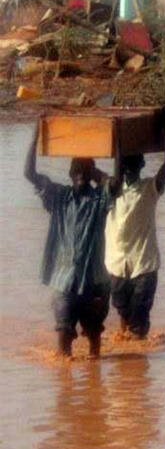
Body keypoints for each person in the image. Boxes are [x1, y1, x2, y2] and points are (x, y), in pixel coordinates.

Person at [24, 127, 112, 358]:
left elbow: (115, 184)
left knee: (95, 351)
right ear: (70, 172)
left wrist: (97, 171)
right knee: (62, 352)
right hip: (64, 284)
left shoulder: (99, 198)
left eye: (85, 168)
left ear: (91, 172)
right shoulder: (59, 197)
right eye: (77, 168)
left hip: (95, 285)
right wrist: (36, 136)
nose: (80, 172)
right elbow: (30, 173)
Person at [104, 114, 165, 339]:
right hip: (117, 263)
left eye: (134, 164)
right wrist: (117, 138)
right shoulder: (111, 189)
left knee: (139, 324)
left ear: (142, 166)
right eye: (126, 165)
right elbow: (110, 173)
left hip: (144, 264)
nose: (130, 169)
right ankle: (129, 364)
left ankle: (136, 366)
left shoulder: (150, 188)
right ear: (121, 167)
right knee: (122, 315)